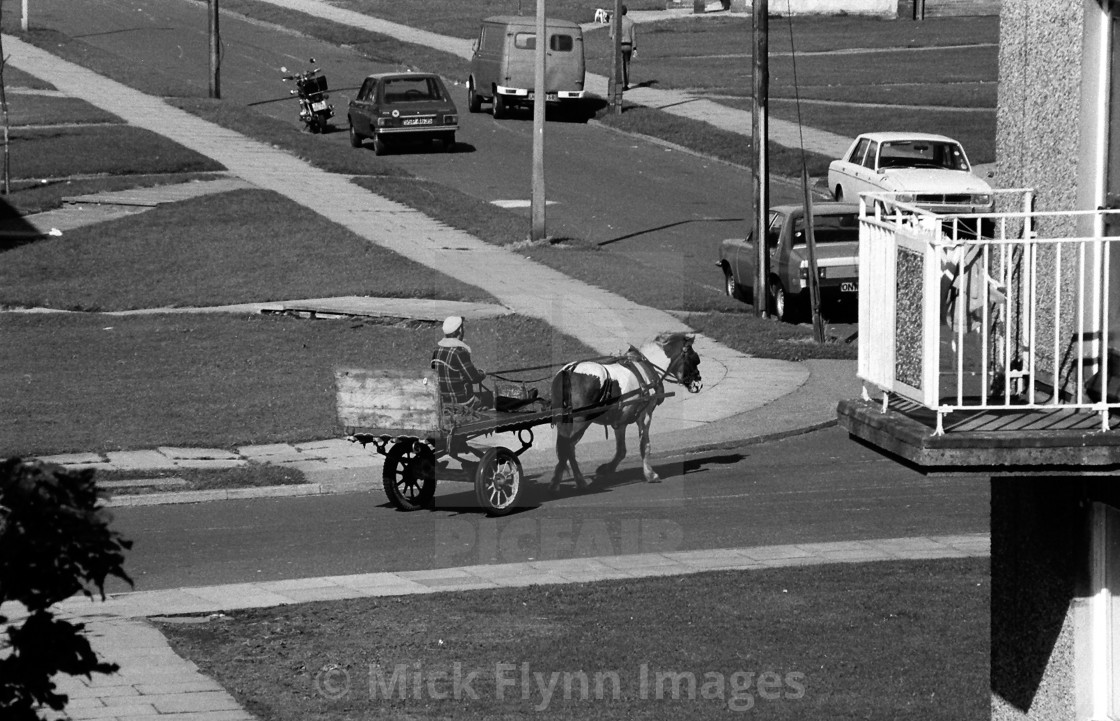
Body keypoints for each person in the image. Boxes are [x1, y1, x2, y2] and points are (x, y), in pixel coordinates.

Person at [431, 315, 487, 410]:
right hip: (462, 402)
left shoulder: (436, 351)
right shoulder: (460, 353)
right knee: (485, 399)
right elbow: (473, 378)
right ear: (460, 330)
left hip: (443, 401)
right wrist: (483, 373)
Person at [609, 5, 637, 90]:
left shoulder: (615, 22)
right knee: (626, 64)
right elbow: (633, 36)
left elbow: (610, 35)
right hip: (628, 45)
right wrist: (634, 48)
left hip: (618, 45)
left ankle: (618, 83)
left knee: (618, 64)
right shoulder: (630, 22)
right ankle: (626, 84)